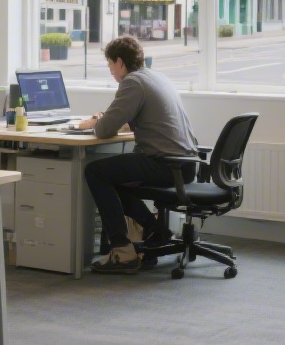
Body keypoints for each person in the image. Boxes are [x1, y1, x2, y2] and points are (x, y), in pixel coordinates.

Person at [79, 36, 198, 274]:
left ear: (120, 62)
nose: (111, 71)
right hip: (182, 163)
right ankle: (155, 230)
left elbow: (103, 130)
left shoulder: (132, 83)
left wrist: (95, 121)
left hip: (165, 164)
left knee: (95, 171)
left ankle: (122, 251)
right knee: (114, 177)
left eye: (110, 65)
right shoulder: (155, 77)